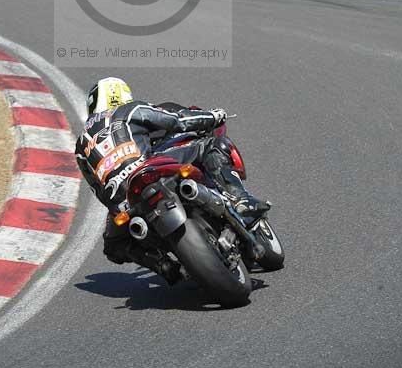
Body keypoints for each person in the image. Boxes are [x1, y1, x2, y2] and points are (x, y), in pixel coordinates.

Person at [75, 76, 269, 284]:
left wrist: (118, 210)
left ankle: (162, 265)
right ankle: (239, 199)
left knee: (113, 246)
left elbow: (97, 189)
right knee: (212, 145)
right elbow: (177, 121)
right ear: (122, 94)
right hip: (149, 171)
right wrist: (213, 116)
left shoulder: (81, 145)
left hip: (125, 201)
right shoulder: (128, 110)